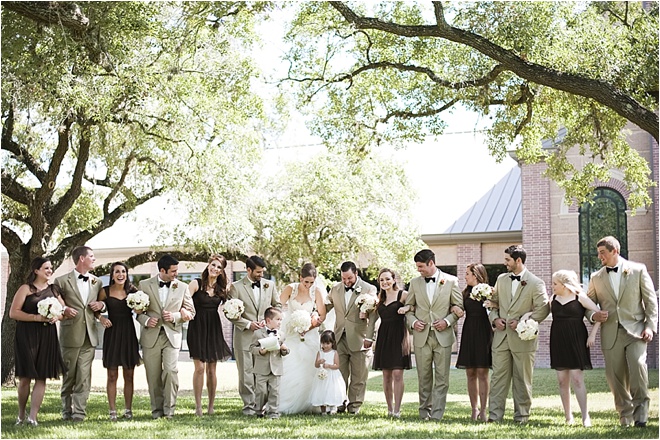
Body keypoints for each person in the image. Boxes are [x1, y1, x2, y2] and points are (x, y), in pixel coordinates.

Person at [586, 236, 658, 428]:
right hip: (611, 333)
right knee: (615, 377)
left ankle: (641, 416)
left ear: (614, 251)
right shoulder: (596, 277)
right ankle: (625, 416)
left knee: (638, 368)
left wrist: (650, 326)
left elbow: (651, 302)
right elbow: (588, 305)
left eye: (602, 252)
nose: (599, 256)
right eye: (598, 252)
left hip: (636, 330)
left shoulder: (638, 270)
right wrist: (594, 317)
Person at [487, 245, 550, 424]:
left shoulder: (536, 282)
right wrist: (495, 319)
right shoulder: (501, 279)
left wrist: (523, 323)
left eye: (507, 260)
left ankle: (521, 417)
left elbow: (543, 309)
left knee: (522, 380)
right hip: (501, 339)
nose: (504, 263)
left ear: (518, 260)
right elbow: (493, 303)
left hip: (524, 340)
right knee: (498, 378)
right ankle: (494, 416)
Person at [404, 250, 463, 421]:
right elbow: (408, 309)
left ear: (431, 263)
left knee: (442, 377)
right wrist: (414, 322)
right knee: (423, 376)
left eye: (421, 266)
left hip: (443, 336)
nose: (418, 270)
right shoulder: (414, 283)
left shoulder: (451, 281)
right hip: (422, 337)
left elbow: (459, 308)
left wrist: (447, 321)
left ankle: (437, 415)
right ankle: (424, 413)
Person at [135, 254, 195, 419]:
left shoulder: (183, 287)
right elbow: (138, 313)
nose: (176, 274)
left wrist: (176, 316)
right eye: (173, 271)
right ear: (162, 270)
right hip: (151, 336)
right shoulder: (144, 285)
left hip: (172, 335)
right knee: (153, 376)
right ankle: (157, 411)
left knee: (170, 371)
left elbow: (191, 312)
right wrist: (147, 320)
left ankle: (169, 411)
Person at [10, 257, 66, 426]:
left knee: (41, 377)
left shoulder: (54, 290)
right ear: (36, 270)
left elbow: (62, 311)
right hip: (26, 336)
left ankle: (33, 417)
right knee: (25, 378)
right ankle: (21, 414)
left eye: (51, 268)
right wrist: (36, 317)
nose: (50, 270)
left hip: (47, 335)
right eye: (46, 268)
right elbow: (13, 313)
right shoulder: (25, 289)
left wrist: (56, 316)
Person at [54, 245, 104, 422]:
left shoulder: (97, 282)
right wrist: (64, 308)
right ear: (82, 258)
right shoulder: (61, 281)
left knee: (84, 376)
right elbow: (53, 299)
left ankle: (79, 414)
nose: (94, 259)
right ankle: (66, 411)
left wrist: (101, 306)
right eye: (91, 256)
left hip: (89, 336)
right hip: (70, 335)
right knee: (69, 376)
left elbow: (101, 304)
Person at [227, 255, 281, 416]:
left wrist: (269, 320)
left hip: (265, 336)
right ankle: (249, 407)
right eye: (258, 272)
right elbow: (230, 313)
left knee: (263, 373)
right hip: (244, 336)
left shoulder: (269, 285)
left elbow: (277, 304)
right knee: (246, 374)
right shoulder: (236, 287)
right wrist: (248, 324)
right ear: (248, 270)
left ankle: (261, 407)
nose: (261, 275)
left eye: (262, 272)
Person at [324, 261, 377, 414]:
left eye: (350, 278)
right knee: (339, 374)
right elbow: (326, 307)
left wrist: (370, 337)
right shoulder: (335, 289)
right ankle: (339, 404)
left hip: (360, 338)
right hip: (339, 337)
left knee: (358, 376)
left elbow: (373, 316)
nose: (346, 282)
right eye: (343, 278)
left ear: (356, 274)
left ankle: (354, 406)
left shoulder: (369, 289)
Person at [550, 269, 601, 427]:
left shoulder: (580, 297)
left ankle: (585, 417)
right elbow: (541, 312)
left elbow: (599, 314)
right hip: (558, 339)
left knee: (577, 379)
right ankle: (568, 417)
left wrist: (592, 335)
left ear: (564, 285)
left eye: (555, 283)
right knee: (561, 380)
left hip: (576, 339)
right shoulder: (553, 298)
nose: (552, 286)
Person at [186, 254, 233, 416]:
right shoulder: (195, 284)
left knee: (212, 371)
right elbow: (182, 302)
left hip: (213, 328)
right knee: (199, 368)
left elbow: (232, 306)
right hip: (197, 327)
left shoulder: (223, 289)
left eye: (219, 267)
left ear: (221, 271)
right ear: (208, 265)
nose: (215, 269)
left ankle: (211, 407)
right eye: (213, 265)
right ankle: (198, 406)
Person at [278, 262, 327, 414]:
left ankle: (309, 403)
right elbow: (277, 307)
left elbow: (322, 314)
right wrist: (288, 322)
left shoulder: (316, 292)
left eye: (311, 282)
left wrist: (310, 326)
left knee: (308, 367)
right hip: (291, 332)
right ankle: (287, 402)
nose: (308, 285)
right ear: (300, 278)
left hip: (309, 334)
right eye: (306, 282)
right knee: (290, 365)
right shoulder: (290, 289)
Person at [97, 262, 141, 421]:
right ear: (112, 275)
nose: (121, 274)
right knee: (112, 375)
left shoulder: (133, 291)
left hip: (128, 333)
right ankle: (112, 411)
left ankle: (128, 410)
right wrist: (101, 318)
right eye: (117, 272)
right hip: (112, 333)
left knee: (129, 375)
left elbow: (142, 307)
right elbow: (95, 309)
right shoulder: (105, 292)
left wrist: (139, 309)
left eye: (123, 271)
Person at [455, 263, 493, 422]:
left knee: (482, 373)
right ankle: (474, 409)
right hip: (469, 332)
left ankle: (484, 410)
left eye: (468, 274)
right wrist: (454, 309)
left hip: (484, 332)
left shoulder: (490, 292)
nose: (465, 277)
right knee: (470, 373)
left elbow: (497, 309)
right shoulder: (464, 293)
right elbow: (458, 308)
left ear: (476, 275)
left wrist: (493, 303)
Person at [372, 268, 412, 418]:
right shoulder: (379, 298)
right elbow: (373, 317)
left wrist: (407, 307)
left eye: (387, 279)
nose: (385, 282)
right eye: (382, 280)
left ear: (394, 279)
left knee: (397, 374)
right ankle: (389, 409)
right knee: (386, 375)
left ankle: (397, 409)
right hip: (384, 336)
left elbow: (414, 307)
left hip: (398, 336)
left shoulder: (403, 295)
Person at [250, 307, 290, 419]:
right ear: (268, 320)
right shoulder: (258, 334)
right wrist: (260, 351)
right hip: (261, 368)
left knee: (274, 391)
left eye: (281, 320)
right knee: (261, 391)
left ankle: (273, 412)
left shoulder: (281, 335)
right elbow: (252, 348)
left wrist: (284, 349)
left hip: (276, 368)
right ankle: (259, 410)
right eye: (278, 319)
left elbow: (284, 352)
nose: (280, 322)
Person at [310, 330, 347, 415]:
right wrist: (319, 362)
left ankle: (333, 407)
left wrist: (329, 366)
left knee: (332, 391)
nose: (325, 346)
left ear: (332, 343)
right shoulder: (320, 352)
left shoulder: (334, 353)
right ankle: (323, 410)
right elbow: (316, 365)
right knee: (321, 391)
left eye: (327, 343)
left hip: (332, 375)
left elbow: (337, 365)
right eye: (323, 343)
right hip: (322, 376)